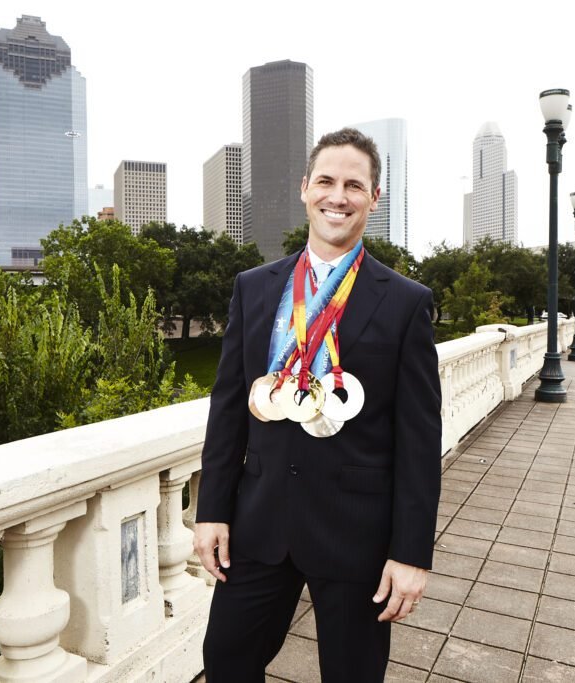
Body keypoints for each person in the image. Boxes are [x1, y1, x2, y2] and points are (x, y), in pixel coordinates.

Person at [194, 128, 442, 682]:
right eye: (326, 181)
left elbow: (420, 441)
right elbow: (229, 406)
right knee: (226, 661)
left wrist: (411, 554)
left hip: (356, 536)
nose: (338, 195)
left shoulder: (405, 303)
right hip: (259, 524)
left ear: (373, 198)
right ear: (305, 189)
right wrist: (211, 509)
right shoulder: (254, 288)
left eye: (354, 185)